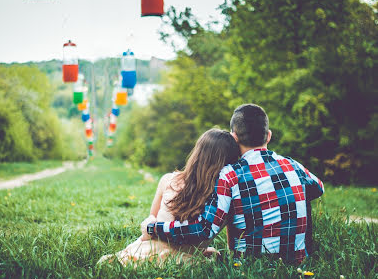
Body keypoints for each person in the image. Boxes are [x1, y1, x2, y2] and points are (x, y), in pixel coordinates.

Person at [143, 104, 324, 263]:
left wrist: (153, 227)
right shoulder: (293, 165)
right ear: (268, 136)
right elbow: (318, 188)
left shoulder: (230, 175)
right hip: (299, 262)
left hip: (251, 266)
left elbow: (204, 230)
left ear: (234, 137)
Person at [98, 128, 240, 265]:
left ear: (197, 154)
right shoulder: (225, 200)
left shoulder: (168, 180)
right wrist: (201, 250)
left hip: (148, 251)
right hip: (176, 259)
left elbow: (151, 221)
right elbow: (229, 242)